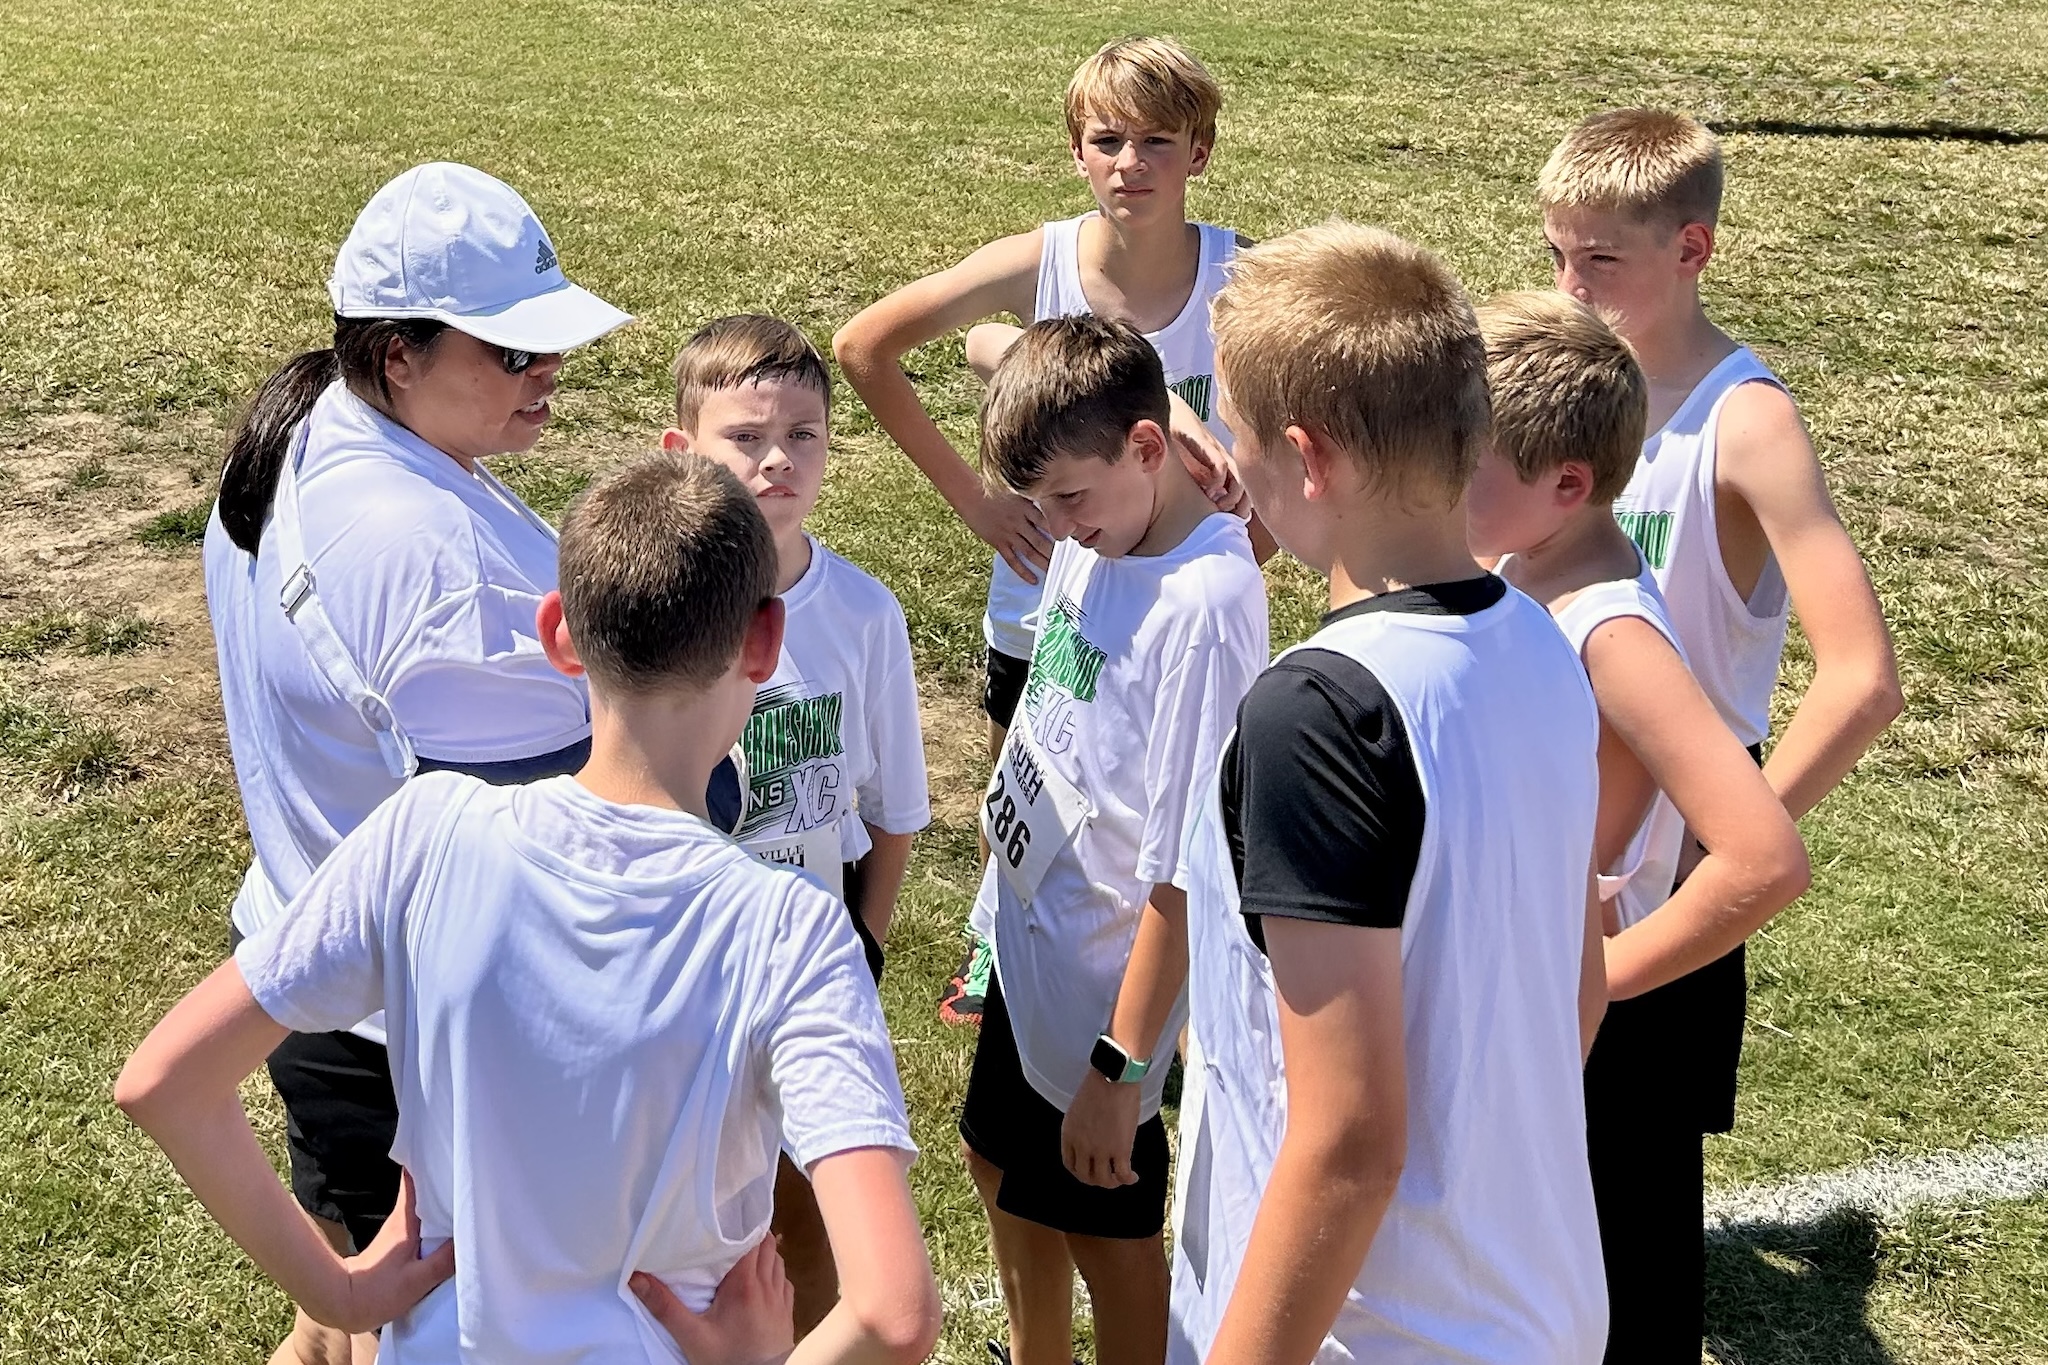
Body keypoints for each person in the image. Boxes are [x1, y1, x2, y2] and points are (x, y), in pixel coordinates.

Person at [120, 452, 943, 1365]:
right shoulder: (791, 932)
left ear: (558, 633)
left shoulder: (425, 833)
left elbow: (164, 1082)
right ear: (764, 640)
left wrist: (337, 1289)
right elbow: (894, 1313)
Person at [201, 161, 636, 1365]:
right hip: (423, 1047)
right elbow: (598, 814)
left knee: (341, 1310)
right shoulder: (441, 566)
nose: (549, 374)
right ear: (398, 355)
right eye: (513, 353)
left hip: (306, 956)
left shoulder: (297, 434)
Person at [1167, 223, 1609, 1365]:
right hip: (1537, 1304)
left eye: (1234, 431)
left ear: (1306, 459)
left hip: (1386, 1334)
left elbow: (1350, 1142)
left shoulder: (1319, 712)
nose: (1226, 461)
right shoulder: (1542, 644)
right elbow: (1578, 987)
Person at [831, 35, 1249, 1026]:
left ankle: (1139, 996)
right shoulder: (1044, 261)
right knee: (1021, 774)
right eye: (1106, 139)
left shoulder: (1241, 282)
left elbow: (1281, 451)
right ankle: (992, 937)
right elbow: (863, 345)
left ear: (1199, 151)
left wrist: (1236, 546)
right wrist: (977, 501)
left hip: (1172, 625)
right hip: (1044, 604)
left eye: (1157, 140)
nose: (1129, 163)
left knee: (1154, 814)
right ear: (1073, 150)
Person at [1466, 291, 1813, 1360]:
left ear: (1566, 484)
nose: (1431, 481)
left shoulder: (1610, 626)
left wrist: (1598, 977)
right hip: (1536, 1007)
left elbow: (1761, 856)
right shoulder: (1526, 564)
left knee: (1617, 1294)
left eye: (1457, 460)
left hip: (1602, 1033)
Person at [960, 315, 1268, 1365]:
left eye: (1067, 499)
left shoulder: (1205, 604)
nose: (1050, 525)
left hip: (1103, 995)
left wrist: (1120, 1068)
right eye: (1035, 502)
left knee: (1107, 1229)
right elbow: (993, 341)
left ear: (1140, 452)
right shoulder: (1110, 512)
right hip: (1030, 942)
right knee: (994, 1160)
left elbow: (1189, 868)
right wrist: (1181, 417)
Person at [661, 313, 931, 1333]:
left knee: (807, 1239)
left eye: (803, 435)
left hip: (804, 983)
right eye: (744, 438)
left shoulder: (865, 615)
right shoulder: (655, 608)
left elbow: (892, 812)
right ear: (681, 451)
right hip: (679, 978)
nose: (777, 459)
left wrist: (862, 944)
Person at [1538, 109, 1902, 821]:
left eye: (1599, 261)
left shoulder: (1746, 423)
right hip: (1550, 815)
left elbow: (1863, 680)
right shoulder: (1549, 383)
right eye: (1556, 255)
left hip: (1674, 837)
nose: (1567, 289)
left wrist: (1733, 840)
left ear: (1692, 248)